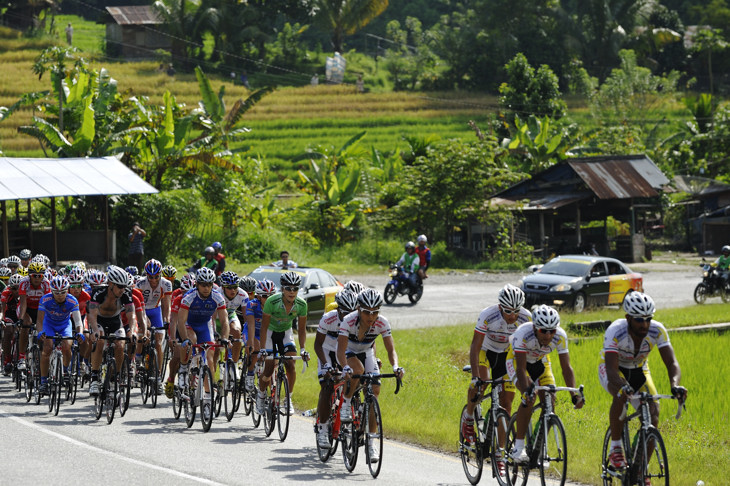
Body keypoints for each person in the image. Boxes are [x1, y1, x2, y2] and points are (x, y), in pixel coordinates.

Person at [599, 292, 687, 474]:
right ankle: (615, 448)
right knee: (620, 394)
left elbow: (671, 363)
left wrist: (675, 384)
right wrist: (622, 386)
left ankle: (640, 469)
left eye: (648, 319)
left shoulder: (657, 330)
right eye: (639, 320)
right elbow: (612, 370)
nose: (644, 324)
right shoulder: (616, 331)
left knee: (653, 413)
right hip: (614, 369)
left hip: (639, 369)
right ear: (628, 318)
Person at [462, 284, 532, 472]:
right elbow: (475, 347)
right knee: (481, 385)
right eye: (508, 311)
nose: (512, 316)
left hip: (506, 356)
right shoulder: (488, 315)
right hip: (486, 351)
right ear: (500, 306)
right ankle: (469, 418)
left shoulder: (526, 318)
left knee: (506, 402)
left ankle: (500, 454)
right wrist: (476, 377)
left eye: (516, 311)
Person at [506, 304, 584, 464]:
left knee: (550, 401)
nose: (548, 336)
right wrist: (526, 390)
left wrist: (574, 395)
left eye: (552, 331)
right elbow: (521, 369)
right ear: (535, 327)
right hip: (517, 362)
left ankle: (537, 446)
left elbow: (566, 368)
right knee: (529, 397)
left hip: (541, 362)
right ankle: (518, 448)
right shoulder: (523, 333)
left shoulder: (560, 336)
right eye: (543, 331)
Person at [338, 288, 404, 464]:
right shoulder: (348, 321)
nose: (371, 316)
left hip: (367, 352)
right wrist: (345, 367)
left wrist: (396, 366)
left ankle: (370, 442)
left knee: (375, 390)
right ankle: (346, 401)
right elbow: (340, 350)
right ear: (359, 309)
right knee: (357, 371)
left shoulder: (382, 323)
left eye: (375, 312)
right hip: (349, 352)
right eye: (367, 311)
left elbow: (391, 350)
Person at [176, 267, 230, 420]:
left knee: (210, 356)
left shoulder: (218, 297)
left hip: (205, 326)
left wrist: (225, 338)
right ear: (197, 285)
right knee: (191, 341)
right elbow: (181, 320)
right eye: (203, 285)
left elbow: (224, 320)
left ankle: (207, 397)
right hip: (190, 325)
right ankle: (186, 367)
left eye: (209, 284)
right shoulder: (189, 297)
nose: (206, 288)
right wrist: (185, 339)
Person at [256, 271, 309, 415]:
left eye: (295, 288)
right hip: (270, 334)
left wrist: (303, 349)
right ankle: (261, 395)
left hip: (286, 333)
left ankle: (288, 399)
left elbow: (302, 330)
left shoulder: (302, 304)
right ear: (282, 289)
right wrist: (262, 349)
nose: (292, 292)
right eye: (288, 288)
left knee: (291, 365)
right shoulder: (271, 302)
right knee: (268, 370)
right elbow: (264, 327)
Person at [314, 288, 358, 448]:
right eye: (344, 312)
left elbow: (369, 343)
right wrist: (326, 364)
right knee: (327, 386)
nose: (348, 316)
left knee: (355, 380)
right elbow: (318, 344)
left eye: (351, 312)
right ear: (338, 308)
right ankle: (323, 429)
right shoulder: (328, 318)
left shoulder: (357, 320)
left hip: (345, 353)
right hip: (327, 352)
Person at [87, 266, 135, 396]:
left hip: (115, 321)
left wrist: (132, 331)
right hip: (99, 321)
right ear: (110, 284)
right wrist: (95, 330)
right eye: (119, 286)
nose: (122, 290)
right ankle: (95, 379)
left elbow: (132, 315)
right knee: (100, 341)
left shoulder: (126, 294)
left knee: (120, 345)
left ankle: (115, 377)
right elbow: (92, 314)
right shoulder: (98, 292)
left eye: (124, 286)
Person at [36, 276, 85, 395]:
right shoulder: (45, 300)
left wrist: (80, 333)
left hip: (64, 325)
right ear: (51, 291)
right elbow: (39, 321)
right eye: (56, 292)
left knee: (67, 346)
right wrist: (40, 332)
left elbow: (78, 322)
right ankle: (43, 382)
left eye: (63, 292)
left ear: (67, 290)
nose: (60, 295)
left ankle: (66, 370)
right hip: (49, 325)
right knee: (47, 349)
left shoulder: (72, 300)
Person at [137, 259, 172, 393]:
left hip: (156, 310)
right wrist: (144, 320)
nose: (153, 280)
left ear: (160, 275)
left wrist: (166, 321)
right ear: (146, 275)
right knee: (143, 333)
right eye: (150, 277)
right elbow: (138, 304)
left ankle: (157, 377)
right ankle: (139, 358)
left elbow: (166, 305)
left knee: (158, 343)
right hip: (143, 310)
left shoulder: (166, 284)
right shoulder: (140, 283)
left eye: (156, 277)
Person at [17, 260, 51, 371]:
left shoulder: (46, 284)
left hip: (40, 309)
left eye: (39, 275)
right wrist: (21, 319)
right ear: (29, 276)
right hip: (26, 308)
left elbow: (47, 304)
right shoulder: (24, 283)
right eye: (34, 276)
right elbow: (23, 303)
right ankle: (21, 357)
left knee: (42, 328)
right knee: (26, 323)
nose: (37, 278)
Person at [243, 278, 275, 391]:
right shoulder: (252, 304)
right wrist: (250, 343)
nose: (268, 298)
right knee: (255, 351)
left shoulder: (275, 306)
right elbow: (251, 324)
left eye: (271, 295)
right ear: (259, 296)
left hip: (265, 333)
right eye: (265, 296)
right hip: (252, 332)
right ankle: (250, 373)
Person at [1, 274, 23, 375]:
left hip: (20, 314)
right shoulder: (6, 293)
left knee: (22, 332)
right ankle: (7, 360)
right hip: (9, 314)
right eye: (14, 288)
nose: (16, 291)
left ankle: (21, 358)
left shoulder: (24, 293)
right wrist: (2, 320)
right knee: (8, 332)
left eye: (18, 288)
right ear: (10, 288)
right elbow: (2, 310)